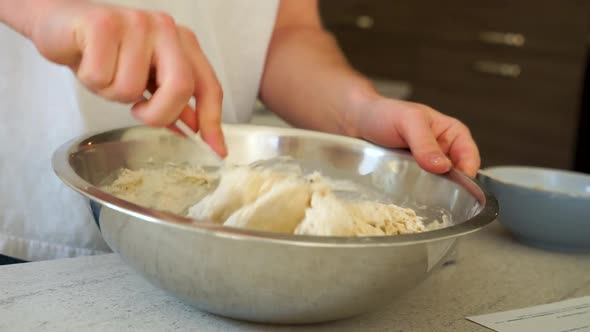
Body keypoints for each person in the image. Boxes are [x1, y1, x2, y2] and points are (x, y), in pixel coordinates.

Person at [0, 0, 480, 263]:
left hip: (217, 240)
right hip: (23, 231)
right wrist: (39, 9)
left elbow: (286, 30)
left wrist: (359, 111)